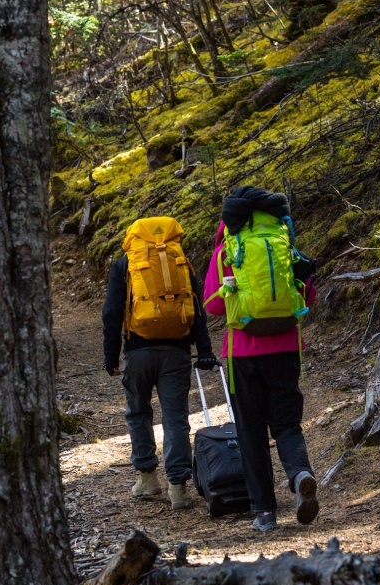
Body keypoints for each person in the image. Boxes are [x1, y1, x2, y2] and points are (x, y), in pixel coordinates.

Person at [204, 186, 318, 533]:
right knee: (286, 423)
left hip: (244, 351)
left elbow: (212, 303)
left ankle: (265, 512)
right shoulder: (284, 240)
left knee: (251, 431)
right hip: (286, 347)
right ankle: (299, 475)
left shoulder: (228, 249)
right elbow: (307, 294)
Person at [102, 217, 218, 509]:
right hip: (176, 352)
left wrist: (110, 355)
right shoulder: (180, 261)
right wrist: (204, 350)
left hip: (138, 352)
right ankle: (178, 487)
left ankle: (148, 479)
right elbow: (197, 307)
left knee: (138, 412)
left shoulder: (124, 264)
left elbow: (112, 312)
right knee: (175, 418)